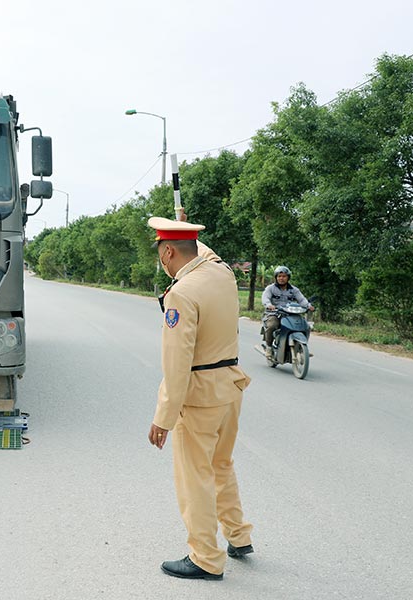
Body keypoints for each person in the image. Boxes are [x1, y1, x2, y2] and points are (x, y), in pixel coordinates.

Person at [146, 216, 254, 581]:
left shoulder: (182, 293)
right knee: (221, 465)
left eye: (163, 255)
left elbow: (177, 365)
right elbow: (201, 252)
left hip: (202, 397)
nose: (163, 264)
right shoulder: (222, 272)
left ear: (170, 251)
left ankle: (206, 558)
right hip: (231, 387)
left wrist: (164, 416)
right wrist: (183, 228)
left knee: (196, 477)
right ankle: (239, 536)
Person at [261, 265, 314, 355]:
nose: (281, 278)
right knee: (272, 325)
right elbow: (265, 298)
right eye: (279, 276)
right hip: (275, 313)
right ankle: (269, 347)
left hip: (290, 314)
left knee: (305, 326)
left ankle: (302, 349)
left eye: (284, 276)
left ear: (288, 278)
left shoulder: (294, 290)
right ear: (276, 277)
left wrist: (308, 306)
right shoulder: (270, 288)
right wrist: (269, 305)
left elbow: (302, 300)